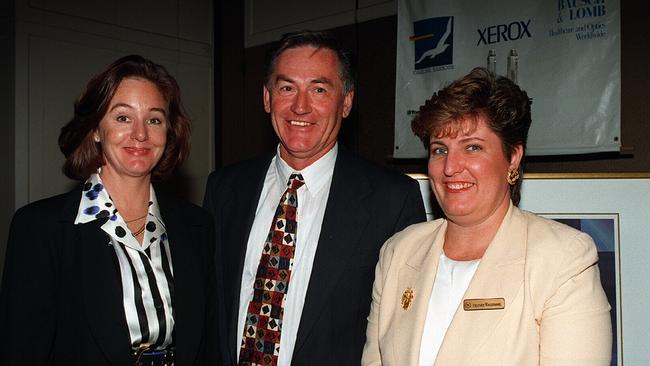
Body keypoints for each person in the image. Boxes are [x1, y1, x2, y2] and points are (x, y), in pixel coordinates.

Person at [203, 30, 426, 366]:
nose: (300, 106)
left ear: (347, 101)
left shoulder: (392, 200)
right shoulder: (225, 188)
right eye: (287, 87)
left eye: (319, 89)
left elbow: (406, 333)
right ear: (267, 97)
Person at [362, 68, 612, 365]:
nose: (451, 167)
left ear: (513, 157)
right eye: (439, 150)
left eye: (472, 147)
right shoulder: (398, 252)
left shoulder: (561, 258)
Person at [0, 55, 218, 366]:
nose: (140, 134)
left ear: (168, 132)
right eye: (123, 118)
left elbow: (208, 347)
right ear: (95, 130)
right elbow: (21, 352)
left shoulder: (198, 227)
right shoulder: (40, 229)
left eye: (154, 119)